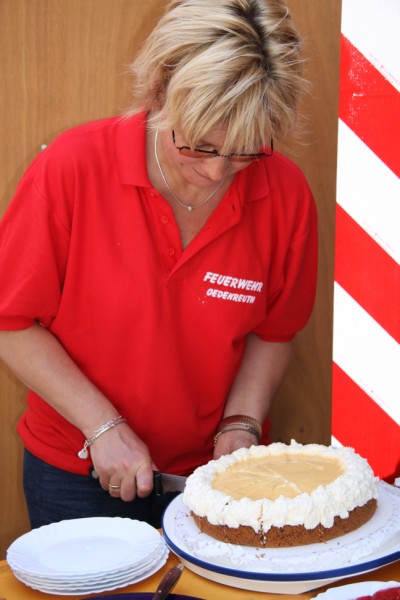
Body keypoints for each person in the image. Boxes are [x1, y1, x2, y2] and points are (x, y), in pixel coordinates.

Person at [0, 0, 318, 529]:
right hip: (78, 471)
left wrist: (242, 423)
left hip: (216, 476)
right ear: (158, 91)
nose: (217, 172)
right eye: (199, 146)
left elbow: (274, 331)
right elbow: (10, 322)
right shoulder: (72, 168)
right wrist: (103, 428)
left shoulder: (285, 193)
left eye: (245, 151)